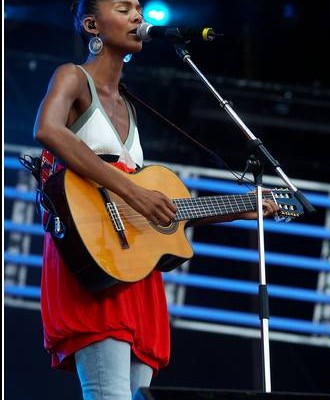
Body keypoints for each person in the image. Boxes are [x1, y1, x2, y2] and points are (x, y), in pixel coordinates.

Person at [33, 0, 279, 399]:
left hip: (135, 270)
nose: (138, 17)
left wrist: (242, 208)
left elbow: (154, 215)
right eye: (124, 8)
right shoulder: (72, 77)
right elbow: (47, 130)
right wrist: (133, 190)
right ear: (92, 24)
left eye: (140, 9)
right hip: (93, 260)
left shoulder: (131, 105)